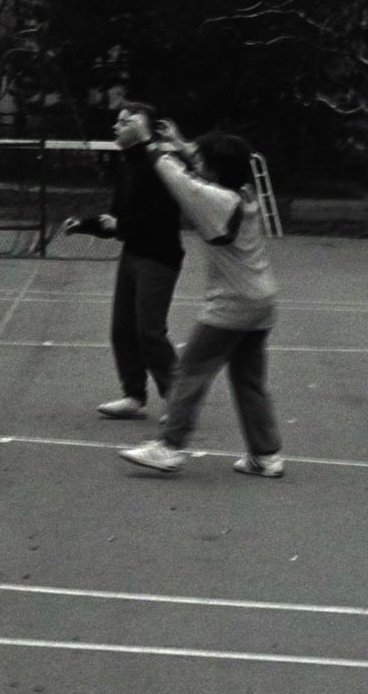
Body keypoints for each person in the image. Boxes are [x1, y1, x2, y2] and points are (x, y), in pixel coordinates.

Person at [121, 127, 283, 479]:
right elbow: (204, 164)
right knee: (248, 379)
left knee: (190, 370)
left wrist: (148, 142)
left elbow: (173, 176)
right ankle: (266, 455)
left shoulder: (215, 201)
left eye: (203, 162)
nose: (197, 164)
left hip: (232, 304)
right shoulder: (243, 191)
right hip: (262, 300)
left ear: (214, 169)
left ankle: (169, 447)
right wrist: (183, 144)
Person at [70, 100, 184, 419]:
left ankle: (179, 399)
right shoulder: (128, 164)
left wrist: (122, 226)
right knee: (122, 329)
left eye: (124, 121)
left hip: (159, 256)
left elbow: (162, 218)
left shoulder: (161, 162)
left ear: (141, 124)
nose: (116, 127)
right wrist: (86, 224)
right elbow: (116, 217)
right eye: (116, 122)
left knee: (149, 331)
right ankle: (134, 395)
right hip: (134, 252)